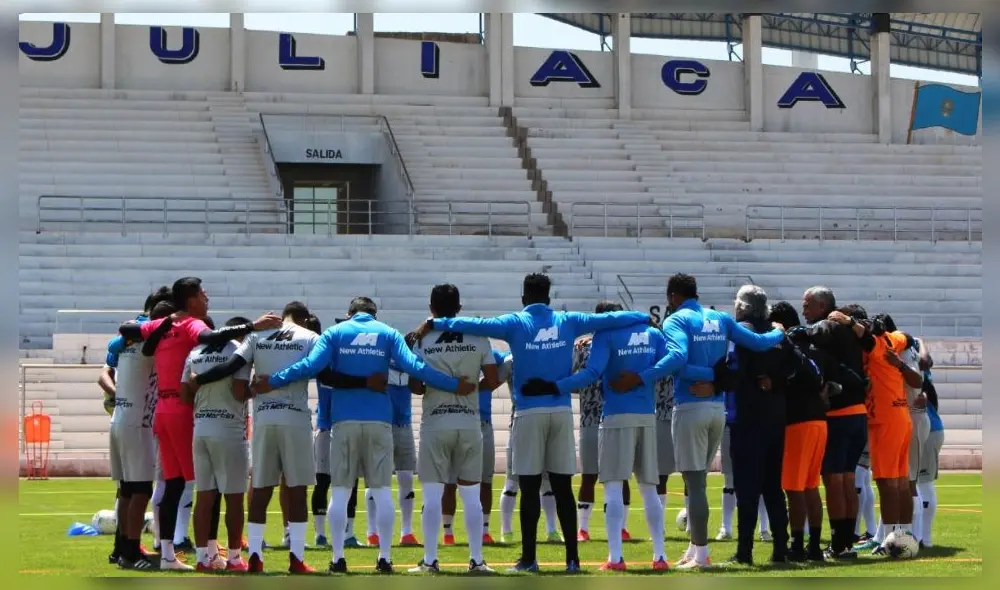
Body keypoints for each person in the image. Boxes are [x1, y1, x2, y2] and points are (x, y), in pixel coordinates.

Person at [413, 273, 652, 573]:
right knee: (563, 487)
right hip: (561, 412)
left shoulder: (514, 323)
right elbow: (612, 319)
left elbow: (474, 324)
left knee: (528, 487)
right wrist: (644, 317)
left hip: (527, 413)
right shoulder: (568, 320)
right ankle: (573, 560)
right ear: (549, 298)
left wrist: (435, 323)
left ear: (523, 298)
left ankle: (529, 560)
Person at [254, 296, 475, 575]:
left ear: (349, 313)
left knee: (340, 491)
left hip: (343, 420)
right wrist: (454, 384)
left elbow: (310, 367)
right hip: (379, 420)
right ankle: (384, 557)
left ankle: (338, 558)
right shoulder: (388, 333)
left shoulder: (335, 333)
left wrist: (272, 381)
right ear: (374, 313)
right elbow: (415, 367)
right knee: (382, 491)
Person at [607, 275, 786, 570]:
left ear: (674, 296)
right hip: (717, 409)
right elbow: (756, 342)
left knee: (696, 483)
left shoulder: (677, 321)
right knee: (698, 481)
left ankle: (701, 554)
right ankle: (694, 548)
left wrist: (641, 377)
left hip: (690, 406)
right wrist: (779, 332)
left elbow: (676, 358)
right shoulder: (720, 318)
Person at [118, 277, 282, 570]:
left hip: (162, 409)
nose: (207, 299)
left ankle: (168, 554)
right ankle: (210, 552)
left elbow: (127, 330)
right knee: (207, 486)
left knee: (173, 483)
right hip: (184, 409)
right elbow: (209, 338)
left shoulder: (163, 324)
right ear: (192, 299)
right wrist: (251, 327)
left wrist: (160, 324)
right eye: (203, 295)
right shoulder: (192, 324)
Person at [555, 315, 715, 571]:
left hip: (616, 415)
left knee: (613, 486)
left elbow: (593, 372)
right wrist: (644, 376)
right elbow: (674, 360)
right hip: (646, 414)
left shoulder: (606, 335)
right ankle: (660, 556)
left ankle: (616, 558)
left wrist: (557, 386)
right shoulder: (653, 334)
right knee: (649, 487)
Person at [192, 301, 321, 574]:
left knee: (260, 490)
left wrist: (199, 380)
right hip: (296, 417)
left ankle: (255, 557)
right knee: (297, 491)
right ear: (304, 320)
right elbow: (320, 368)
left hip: (263, 419)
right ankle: (296, 559)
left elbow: (231, 367)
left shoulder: (255, 336)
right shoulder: (310, 337)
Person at [408, 284, 500, 574]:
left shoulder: (422, 338)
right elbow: (494, 379)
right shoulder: (477, 334)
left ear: (431, 308)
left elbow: (415, 386)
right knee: (471, 494)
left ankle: (431, 560)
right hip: (469, 420)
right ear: (459, 307)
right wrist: (470, 390)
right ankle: (477, 560)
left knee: (432, 495)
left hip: (436, 421)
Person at [828, 307, 923, 555]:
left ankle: (890, 541)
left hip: (885, 419)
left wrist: (849, 322)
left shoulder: (878, 343)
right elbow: (908, 337)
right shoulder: (895, 338)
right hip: (901, 417)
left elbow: (869, 339)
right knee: (901, 481)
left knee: (886, 482)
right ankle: (903, 538)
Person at [721, 286, 797, 566]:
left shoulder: (742, 330)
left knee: (747, 488)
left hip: (746, 416)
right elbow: (796, 365)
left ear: (742, 305)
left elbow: (733, 369)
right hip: (775, 418)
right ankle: (780, 548)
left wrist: (715, 380)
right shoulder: (779, 333)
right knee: (773, 487)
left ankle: (745, 551)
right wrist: (775, 381)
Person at [179, 316, 254, 572]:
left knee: (205, 496)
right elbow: (238, 391)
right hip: (229, 428)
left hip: (201, 428)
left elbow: (184, 394)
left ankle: (202, 558)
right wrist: (257, 390)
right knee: (234, 498)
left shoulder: (196, 351)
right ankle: (234, 558)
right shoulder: (239, 351)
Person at [800, 287, 870, 559]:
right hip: (859, 413)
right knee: (848, 478)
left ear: (821, 306)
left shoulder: (828, 327)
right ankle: (847, 543)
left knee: (834, 480)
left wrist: (796, 331)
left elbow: (813, 339)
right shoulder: (852, 330)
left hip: (839, 414)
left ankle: (839, 545)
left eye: (807, 306)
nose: (804, 311)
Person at [103, 289, 168, 570]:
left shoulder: (127, 342)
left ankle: (122, 549)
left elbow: (113, 347)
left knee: (128, 491)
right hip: (138, 422)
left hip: (119, 418)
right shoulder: (152, 344)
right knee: (140, 490)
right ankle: (131, 553)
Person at [769, 301, 829, 562]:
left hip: (798, 422)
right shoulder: (812, 344)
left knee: (794, 487)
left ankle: (796, 545)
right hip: (819, 420)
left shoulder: (788, 345)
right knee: (810, 486)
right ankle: (814, 545)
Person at [572, 302, 633, 544]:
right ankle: (583, 528)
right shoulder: (583, 345)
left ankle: (622, 527)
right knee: (590, 473)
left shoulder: (626, 342)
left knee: (621, 474)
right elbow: (573, 377)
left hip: (616, 414)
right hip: (592, 415)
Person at [367, 342, 419, 548]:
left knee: (406, 478)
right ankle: (372, 532)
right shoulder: (379, 362)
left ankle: (407, 532)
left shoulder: (411, 363)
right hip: (381, 423)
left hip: (404, 425)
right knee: (377, 479)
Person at [917, 357, 943, 548]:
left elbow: (926, 359)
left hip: (928, 429)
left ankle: (924, 538)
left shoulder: (916, 366)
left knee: (923, 482)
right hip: (921, 429)